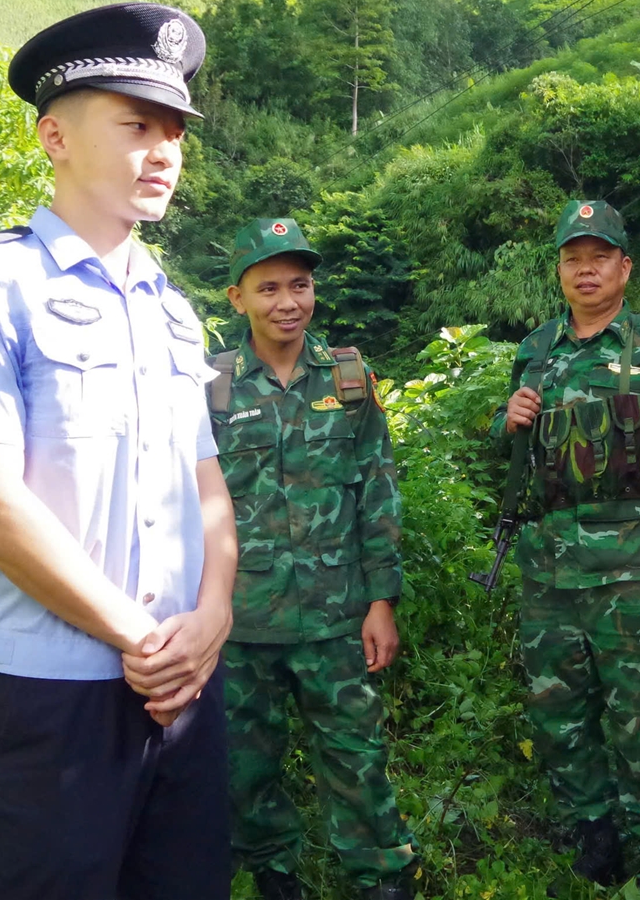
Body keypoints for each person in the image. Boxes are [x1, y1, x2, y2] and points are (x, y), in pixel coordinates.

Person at [0, 3, 235, 899]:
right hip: (54, 697)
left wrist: (212, 619)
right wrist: (143, 641)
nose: (163, 149)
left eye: (174, 130)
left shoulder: (173, 308)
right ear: (55, 135)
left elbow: (208, 485)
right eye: (135, 124)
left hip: (185, 684)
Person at [492, 200, 640, 896]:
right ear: (558, 268)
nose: (584, 269)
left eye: (598, 256)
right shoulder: (535, 349)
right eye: (571, 257)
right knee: (559, 710)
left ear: (625, 266)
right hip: (549, 566)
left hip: (634, 562)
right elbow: (518, 463)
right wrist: (507, 422)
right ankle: (595, 828)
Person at [208, 218, 417, 900]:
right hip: (242, 620)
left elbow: (378, 490)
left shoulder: (349, 376)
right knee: (246, 763)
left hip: (336, 613)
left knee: (357, 756)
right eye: (268, 287)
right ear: (237, 298)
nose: (287, 301)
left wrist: (381, 598)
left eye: (300, 284)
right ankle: (272, 869)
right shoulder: (209, 386)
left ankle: (380, 873)